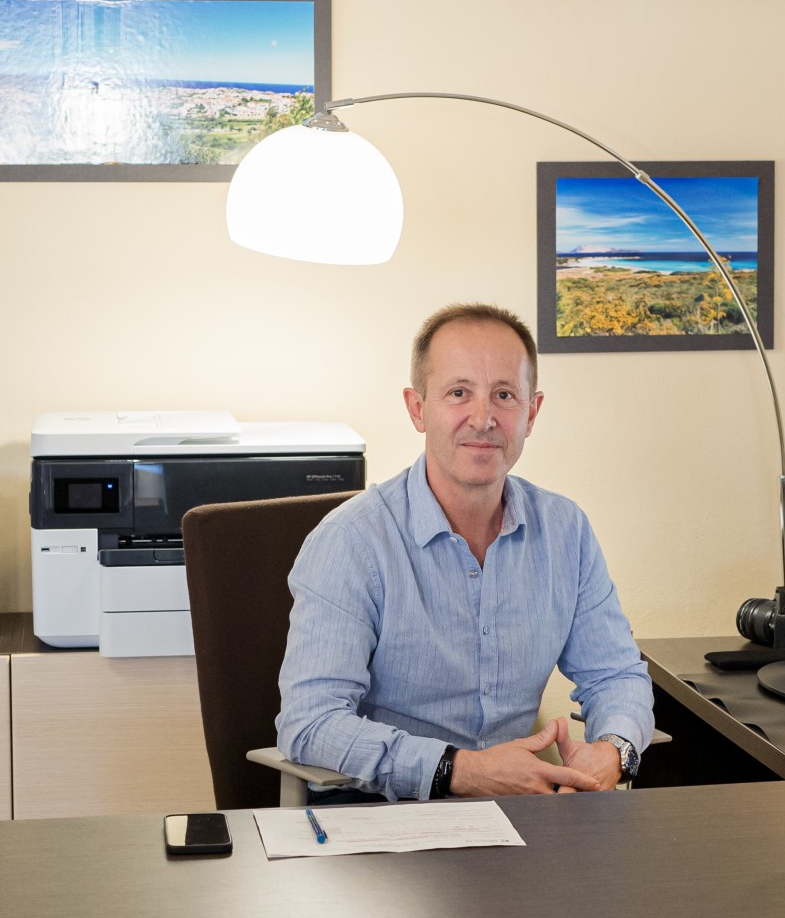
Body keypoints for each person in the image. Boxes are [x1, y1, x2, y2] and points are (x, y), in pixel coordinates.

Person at [277, 303, 654, 801]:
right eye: (459, 393)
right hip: (381, 818)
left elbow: (617, 674)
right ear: (418, 408)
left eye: (504, 395)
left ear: (531, 413)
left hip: (520, 813)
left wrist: (612, 751)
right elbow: (311, 724)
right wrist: (462, 770)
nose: (484, 418)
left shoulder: (566, 530)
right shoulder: (351, 541)